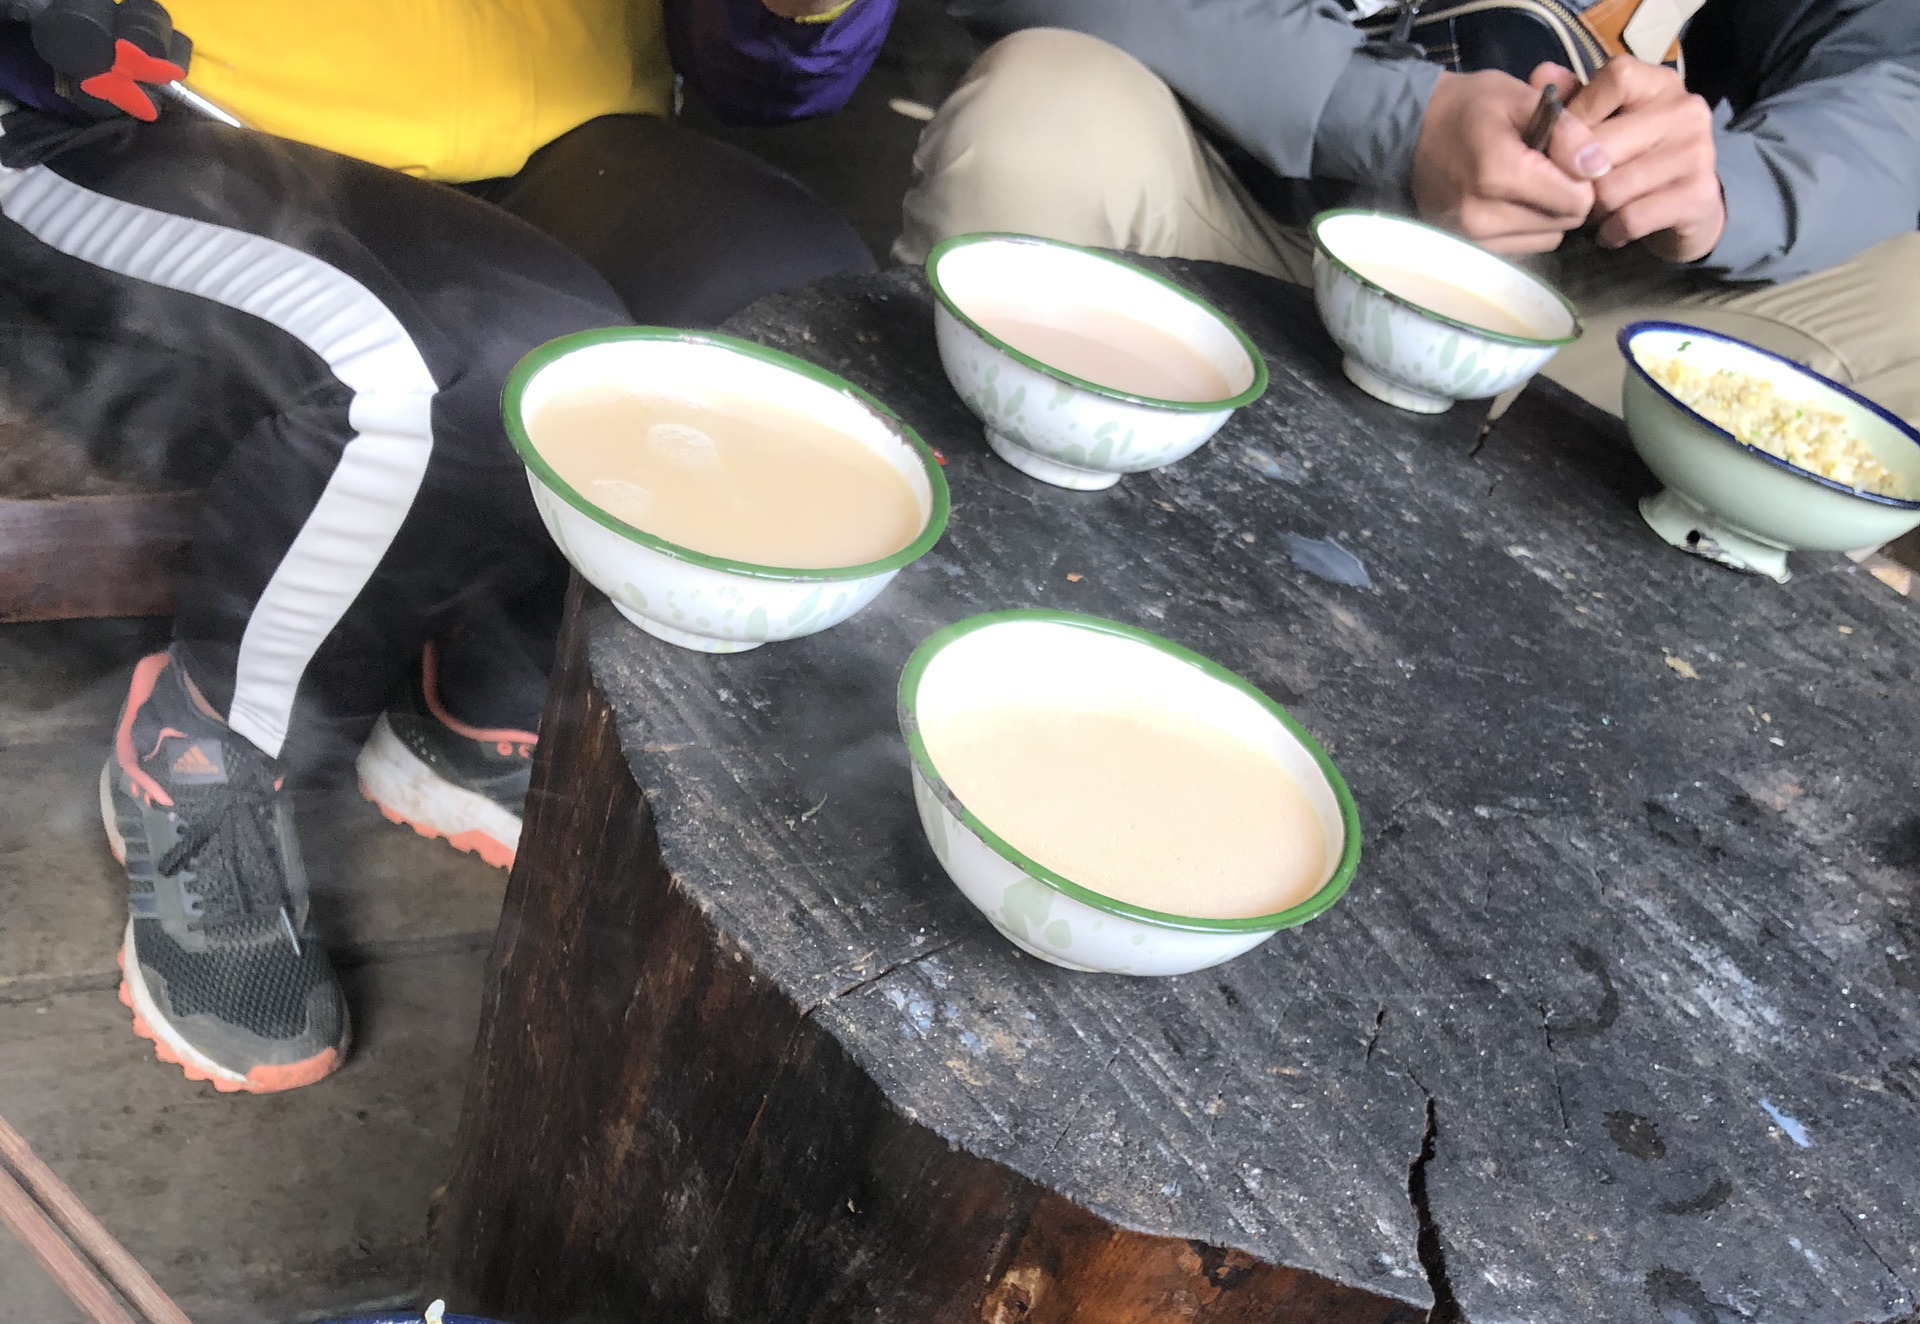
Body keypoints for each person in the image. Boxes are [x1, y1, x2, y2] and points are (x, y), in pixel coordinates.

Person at [0, 0, 899, 1093]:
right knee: (478, 362)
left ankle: (483, 700)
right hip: (146, 112)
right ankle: (204, 743)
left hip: (561, 136)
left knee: (789, 323)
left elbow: (770, 81)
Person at [897, 0, 1920, 424]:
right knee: (1042, 111)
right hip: (1220, 220)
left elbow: (1896, 76)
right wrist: (1376, 113)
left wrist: (1730, 186)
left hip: (1571, 332)